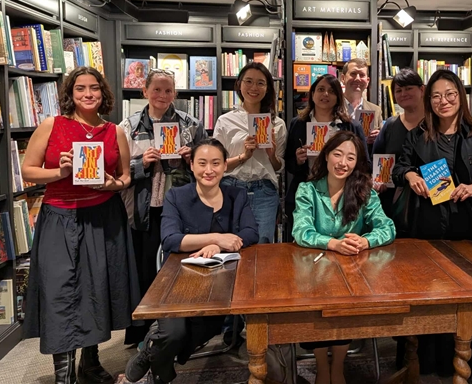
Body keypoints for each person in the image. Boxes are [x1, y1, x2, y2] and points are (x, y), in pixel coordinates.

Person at [21, 66, 139, 384]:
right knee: (60, 291)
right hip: (59, 217)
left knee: (96, 290)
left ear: (103, 93)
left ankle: (89, 362)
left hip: (103, 217)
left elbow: (126, 177)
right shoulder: (52, 125)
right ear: (70, 95)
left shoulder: (115, 132)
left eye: (94, 88)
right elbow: (28, 170)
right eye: (80, 89)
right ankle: (63, 375)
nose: (88, 94)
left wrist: (111, 183)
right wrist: (59, 173)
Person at [392, 69, 472, 382]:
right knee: (430, 292)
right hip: (428, 222)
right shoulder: (419, 133)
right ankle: (430, 361)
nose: (444, 101)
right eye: (437, 96)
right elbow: (399, 169)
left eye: (450, 95)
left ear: (460, 97)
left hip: (469, 222)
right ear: (429, 99)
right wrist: (412, 177)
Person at [125, 138, 259, 384]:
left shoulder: (236, 195)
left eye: (216, 163)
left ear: (225, 166)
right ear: (192, 165)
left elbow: (251, 233)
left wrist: (216, 246)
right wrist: (216, 237)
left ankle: (151, 348)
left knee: (206, 329)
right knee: (174, 333)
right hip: (177, 280)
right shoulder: (177, 196)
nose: (209, 170)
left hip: (221, 281)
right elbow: (170, 239)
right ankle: (160, 372)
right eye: (202, 163)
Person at [292, 130, 395, 384]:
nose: (343, 163)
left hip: (351, 271)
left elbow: (388, 227)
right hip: (313, 269)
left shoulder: (364, 192)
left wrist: (366, 240)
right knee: (314, 307)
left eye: (350, 158)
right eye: (337, 154)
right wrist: (333, 243)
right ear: (326, 156)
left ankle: (337, 365)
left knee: (343, 309)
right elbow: (300, 231)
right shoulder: (307, 190)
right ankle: (321, 365)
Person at [119, 68, 207, 346]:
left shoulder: (190, 125)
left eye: (168, 90)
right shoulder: (127, 127)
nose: (162, 95)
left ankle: (183, 331)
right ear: (144, 91)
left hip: (180, 209)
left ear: (175, 94)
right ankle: (143, 332)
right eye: (156, 89)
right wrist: (140, 163)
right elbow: (117, 173)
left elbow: (208, 167)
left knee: (180, 270)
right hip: (143, 210)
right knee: (145, 270)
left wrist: (192, 158)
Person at [284, 74, 366, 241]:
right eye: (320, 89)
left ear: (338, 97)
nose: (325, 95)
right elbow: (289, 165)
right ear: (312, 94)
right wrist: (299, 159)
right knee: (303, 241)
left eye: (331, 91)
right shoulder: (298, 124)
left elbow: (364, 162)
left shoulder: (351, 125)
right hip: (306, 191)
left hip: (342, 194)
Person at [214, 62, 287, 243]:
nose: (254, 87)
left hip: (264, 191)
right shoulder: (225, 121)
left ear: (268, 88)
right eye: (249, 81)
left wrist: (271, 154)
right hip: (231, 188)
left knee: (263, 244)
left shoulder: (277, 124)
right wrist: (243, 156)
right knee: (230, 243)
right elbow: (217, 164)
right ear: (239, 84)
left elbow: (278, 167)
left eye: (260, 83)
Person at [371, 68, 425, 237]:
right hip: (393, 203)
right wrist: (377, 181)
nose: (403, 94)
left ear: (422, 89)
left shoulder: (437, 124)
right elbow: (377, 159)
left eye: (409, 88)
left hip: (428, 201)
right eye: (398, 90)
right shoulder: (390, 125)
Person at [342, 58, 382, 144]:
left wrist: (378, 138)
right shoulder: (332, 107)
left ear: (367, 81)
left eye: (362, 75)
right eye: (353, 74)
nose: (357, 79)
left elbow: (382, 145)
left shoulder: (376, 110)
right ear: (343, 78)